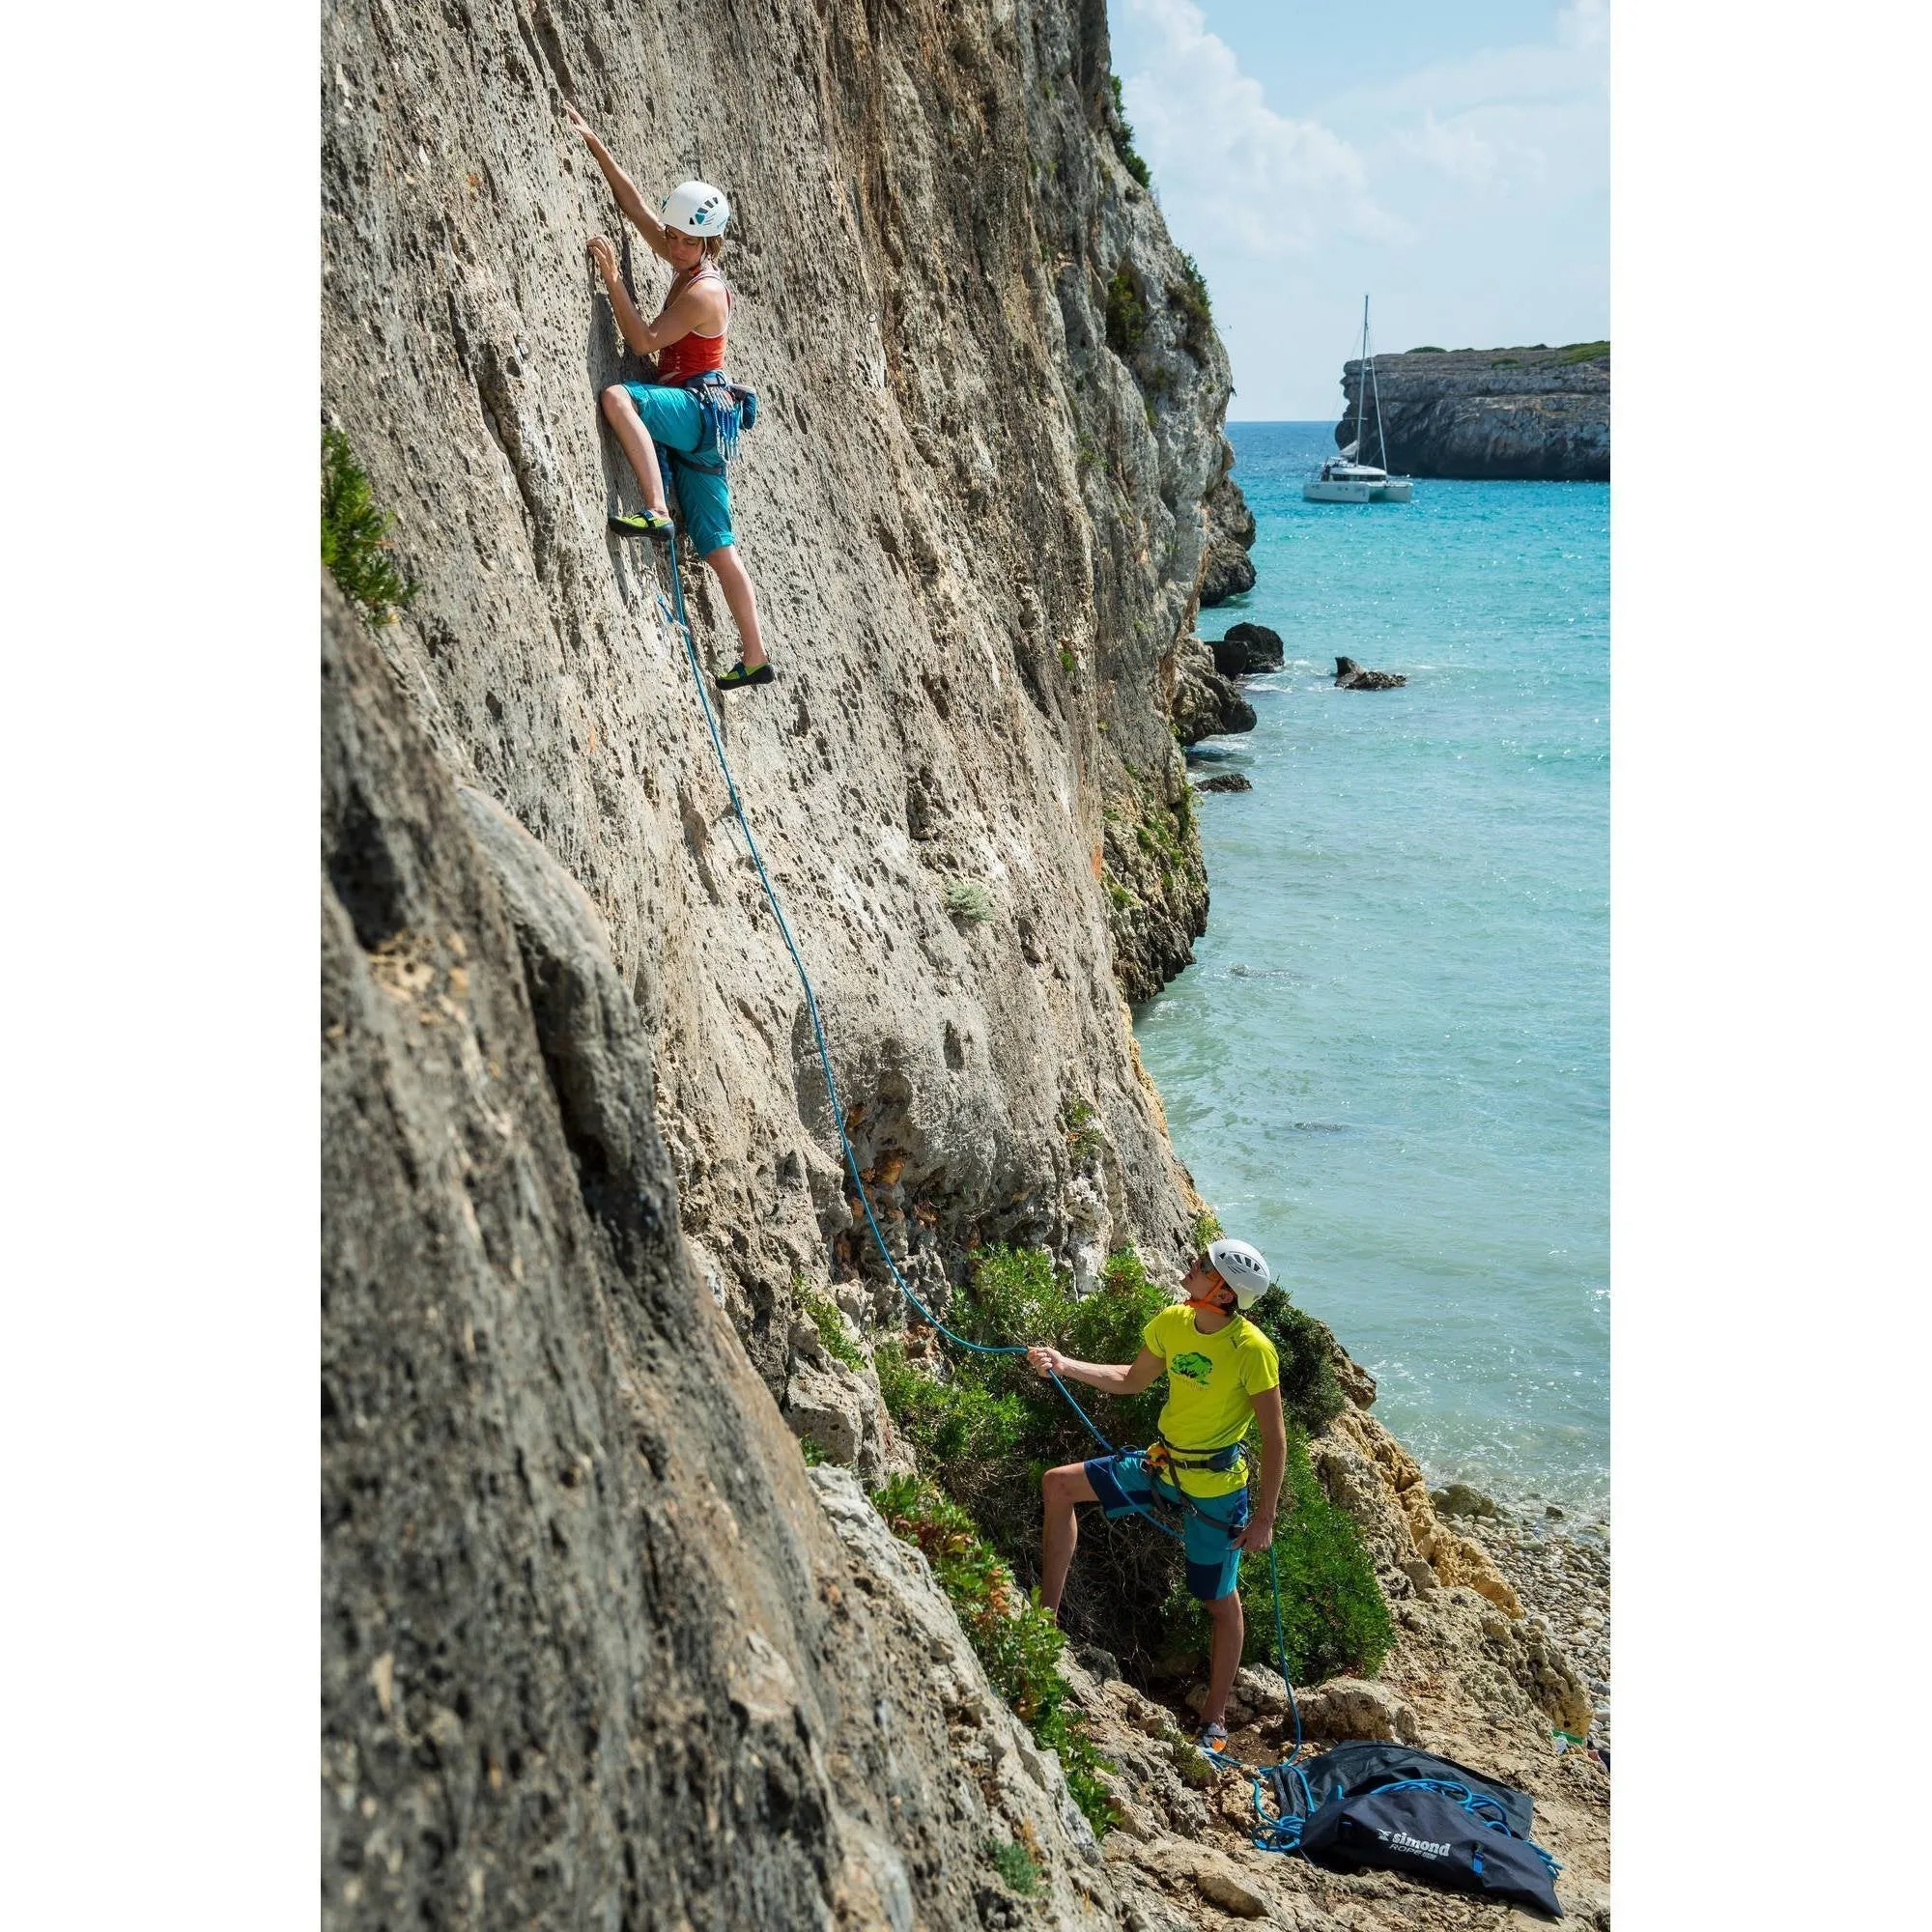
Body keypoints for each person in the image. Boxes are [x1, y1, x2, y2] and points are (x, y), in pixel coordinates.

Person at [1027, 1237, 1288, 1751]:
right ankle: (1046, 1621)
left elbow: (1274, 1438)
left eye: (1202, 1266)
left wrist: (1264, 1519)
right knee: (1059, 1485)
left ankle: (1214, 1718)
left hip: (1215, 1490)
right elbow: (1130, 1379)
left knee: (1218, 1600)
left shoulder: (1252, 1351)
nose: (1191, 1267)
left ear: (1225, 1292)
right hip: (1161, 1465)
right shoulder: (1172, 1322)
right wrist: (1065, 1364)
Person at [564, 102, 773, 691]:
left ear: (709, 242)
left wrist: (611, 279)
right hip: (708, 424)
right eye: (674, 237)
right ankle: (754, 657)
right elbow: (638, 211)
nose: (673, 244)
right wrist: (596, 146)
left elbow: (644, 339)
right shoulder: (689, 257)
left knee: (616, 398)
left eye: (684, 240)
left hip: (696, 411)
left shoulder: (704, 292)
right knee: (718, 546)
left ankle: (655, 510)